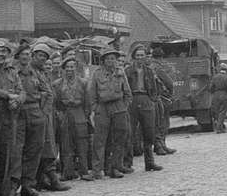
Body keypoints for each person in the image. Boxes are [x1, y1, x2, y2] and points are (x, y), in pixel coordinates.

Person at [0, 39, 23, 196]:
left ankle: (2, 192)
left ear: (8, 54)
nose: (0, 54)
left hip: (9, 116)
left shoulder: (12, 72)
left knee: (7, 153)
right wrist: (7, 95)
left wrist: (17, 100)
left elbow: (21, 91)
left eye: (3, 52)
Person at [88, 46, 131, 179]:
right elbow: (92, 93)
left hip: (119, 107)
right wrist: (95, 108)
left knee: (118, 139)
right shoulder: (97, 73)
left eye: (113, 58)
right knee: (99, 140)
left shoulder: (121, 72)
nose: (110, 61)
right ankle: (97, 170)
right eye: (107, 59)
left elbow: (127, 92)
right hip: (103, 108)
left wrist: (124, 106)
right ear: (103, 61)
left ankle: (115, 168)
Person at [31, 42, 69, 192]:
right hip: (38, 113)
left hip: (47, 113)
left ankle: (42, 179)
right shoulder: (31, 72)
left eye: (44, 57)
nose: (42, 59)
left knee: (48, 145)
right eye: (39, 56)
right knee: (43, 146)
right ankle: (50, 178)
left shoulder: (42, 73)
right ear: (33, 56)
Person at [13, 44, 48, 196]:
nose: (25, 57)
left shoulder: (36, 73)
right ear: (18, 56)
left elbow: (46, 91)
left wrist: (43, 112)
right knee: (17, 149)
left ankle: (28, 183)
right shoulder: (13, 72)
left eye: (28, 54)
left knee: (35, 149)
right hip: (18, 113)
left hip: (35, 112)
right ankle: (12, 186)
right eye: (23, 54)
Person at [54, 53, 93, 181]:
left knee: (82, 144)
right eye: (67, 67)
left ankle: (84, 171)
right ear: (63, 69)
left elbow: (88, 102)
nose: (70, 69)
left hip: (79, 113)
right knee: (66, 144)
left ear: (76, 68)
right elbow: (56, 102)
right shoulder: (57, 84)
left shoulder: (83, 82)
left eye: (72, 67)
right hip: (65, 114)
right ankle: (67, 172)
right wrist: (60, 115)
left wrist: (85, 116)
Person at [125, 45, 164, 167]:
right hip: (132, 100)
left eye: (142, 55)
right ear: (134, 57)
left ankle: (150, 162)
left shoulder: (149, 71)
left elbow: (154, 88)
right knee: (129, 132)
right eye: (138, 55)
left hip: (146, 99)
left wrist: (152, 100)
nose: (140, 58)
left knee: (149, 131)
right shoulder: (128, 71)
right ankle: (127, 163)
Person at [209, 63, 227, 134]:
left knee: (216, 112)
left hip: (216, 95)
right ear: (226, 70)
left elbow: (210, 88)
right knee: (222, 112)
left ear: (220, 69)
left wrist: (214, 92)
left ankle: (220, 125)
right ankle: (219, 128)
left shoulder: (215, 77)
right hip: (224, 95)